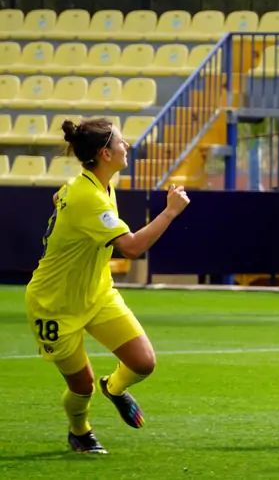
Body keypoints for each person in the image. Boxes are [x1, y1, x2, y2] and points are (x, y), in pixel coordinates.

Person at [25, 118, 191, 454]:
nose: (126, 146)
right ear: (104, 153)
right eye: (121, 142)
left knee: (143, 363)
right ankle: (79, 431)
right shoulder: (90, 195)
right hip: (54, 304)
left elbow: (63, 197)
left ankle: (114, 388)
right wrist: (170, 212)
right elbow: (130, 247)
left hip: (98, 293)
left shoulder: (97, 186)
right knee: (81, 386)